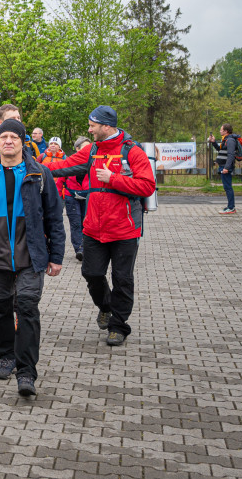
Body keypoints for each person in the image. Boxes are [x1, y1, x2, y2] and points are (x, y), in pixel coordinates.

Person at [0, 119, 65, 397]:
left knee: (27, 306)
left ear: (22, 141)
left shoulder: (39, 174)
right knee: (1, 308)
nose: (8, 141)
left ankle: (27, 372)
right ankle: (7, 356)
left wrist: (57, 256)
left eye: (13, 137)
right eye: (3, 136)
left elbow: (54, 216)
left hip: (31, 253)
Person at [48, 105, 156, 347]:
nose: (89, 129)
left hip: (124, 230)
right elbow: (63, 166)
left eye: (92, 125)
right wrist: (32, 166)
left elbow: (148, 186)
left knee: (122, 279)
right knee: (91, 273)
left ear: (106, 126)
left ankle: (119, 326)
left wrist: (114, 179)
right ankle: (106, 307)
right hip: (93, 229)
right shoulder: (92, 150)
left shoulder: (132, 151)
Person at [58, 137, 91, 261]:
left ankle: (87, 247)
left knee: (86, 223)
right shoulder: (70, 161)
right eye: (84, 147)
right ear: (77, 149)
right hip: (71, 196)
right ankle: (79, 249)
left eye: (89, 147)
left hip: (87, 196)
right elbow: (60, 178)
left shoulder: (93, 161)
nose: (88, 150)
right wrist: (57, 197)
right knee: (76, 223)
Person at [208, 124, 239, 214]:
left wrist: (226, 167)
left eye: (221, 130)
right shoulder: (225, 140)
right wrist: (213, 142)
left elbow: (231, 155)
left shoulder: (229, 140)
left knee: (228, 187)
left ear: (226, 131)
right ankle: (230, 206)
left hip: (226, 166)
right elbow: (220, 150)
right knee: (226, 187)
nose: (220, 131)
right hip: (223, 166)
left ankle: (231, 208)